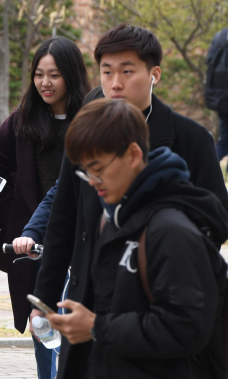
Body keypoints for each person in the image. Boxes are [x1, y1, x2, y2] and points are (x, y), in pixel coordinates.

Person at [21, 25, 228, 379]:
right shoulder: (87, 135)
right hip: (88, 294)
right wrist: (44, 298)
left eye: (127, 71)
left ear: (154, 75)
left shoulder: (191, 139)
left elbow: (215, 222)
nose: (115, 83)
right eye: (106, 71)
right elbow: (63, 219)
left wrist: (158, 258)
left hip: (151, 300)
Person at [46, 98, 227, 378]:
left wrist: (97, 327)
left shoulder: (171, 230)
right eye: (84, 172)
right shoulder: (115, 218)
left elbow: (186, 328)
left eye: (97, 168)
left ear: (132, 155)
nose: (91, 181)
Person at [0, 36, 90, 379]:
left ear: (72, 76)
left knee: (79, 318)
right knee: (42, 323)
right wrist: (9, 216)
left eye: (55, 75)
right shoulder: (22, 121)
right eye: (38, 74)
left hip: (82, 232)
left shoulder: (90, 118)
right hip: (33, 237)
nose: (45, 83)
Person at [204, 27, 228, 171]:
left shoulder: (220, 36)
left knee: (224, 140)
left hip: (219, 96)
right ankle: (207, 168)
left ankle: (206, 168)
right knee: (225, 141)